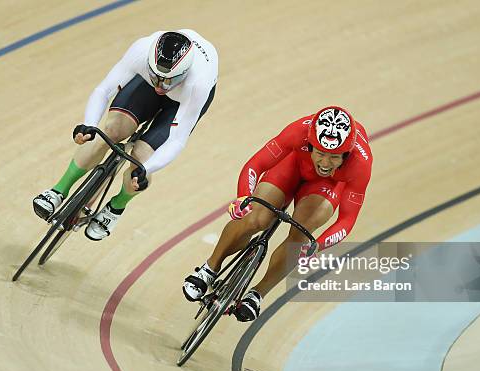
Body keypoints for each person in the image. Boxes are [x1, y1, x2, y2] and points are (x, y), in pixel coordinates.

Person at [183, 106, 373, 321]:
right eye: (320, 153)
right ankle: (209, 269)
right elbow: (256, 164)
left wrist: (317, 246)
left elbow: (348, 219)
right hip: (293, 165)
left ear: (346, 155)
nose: (325, 163)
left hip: (327, 186)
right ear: (310, 145)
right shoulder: (298, 132)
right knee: (255, 218)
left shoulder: (360, 164)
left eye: (334, 157)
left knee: (300, 239)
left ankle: (257, 294)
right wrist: (243, 197)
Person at [33, 30, 217, 240]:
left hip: (182, 101)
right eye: (156, 76)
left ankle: (116, 206)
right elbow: (104, 90)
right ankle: (58, 190)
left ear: (183, 73)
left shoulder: (198, 84)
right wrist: (89, 125)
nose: (159, 85)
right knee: (109, 132)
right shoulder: (141, 50)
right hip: (145, 85)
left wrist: (146, 168)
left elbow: (177, 140)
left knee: (143, 156)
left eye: (166, 81)